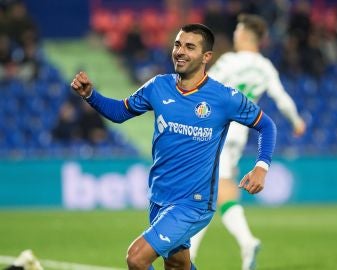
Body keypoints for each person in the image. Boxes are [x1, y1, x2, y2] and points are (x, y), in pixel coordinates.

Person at [71, 23, 277, 270]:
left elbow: (267, 126)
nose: (180, 51)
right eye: (178, 44)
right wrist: (90, 95)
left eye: (190, 47)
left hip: (194, 203)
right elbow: (119, 112)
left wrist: (261, 167)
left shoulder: (224, 97)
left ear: (206, 57)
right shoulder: (158, 86)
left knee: (136, 258)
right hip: (159, 197)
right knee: (178, 266)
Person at [190, 14, 306, 270]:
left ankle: (189, 258)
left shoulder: (230, 61)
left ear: (243, 35)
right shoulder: (265, 67)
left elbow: (203, 86)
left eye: (237, 32)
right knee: (224, 192)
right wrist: (297, 121)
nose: (234, 36)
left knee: (200, 194)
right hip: (239, 134)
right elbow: (282, 98)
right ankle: (246, 242)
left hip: (216, 131)